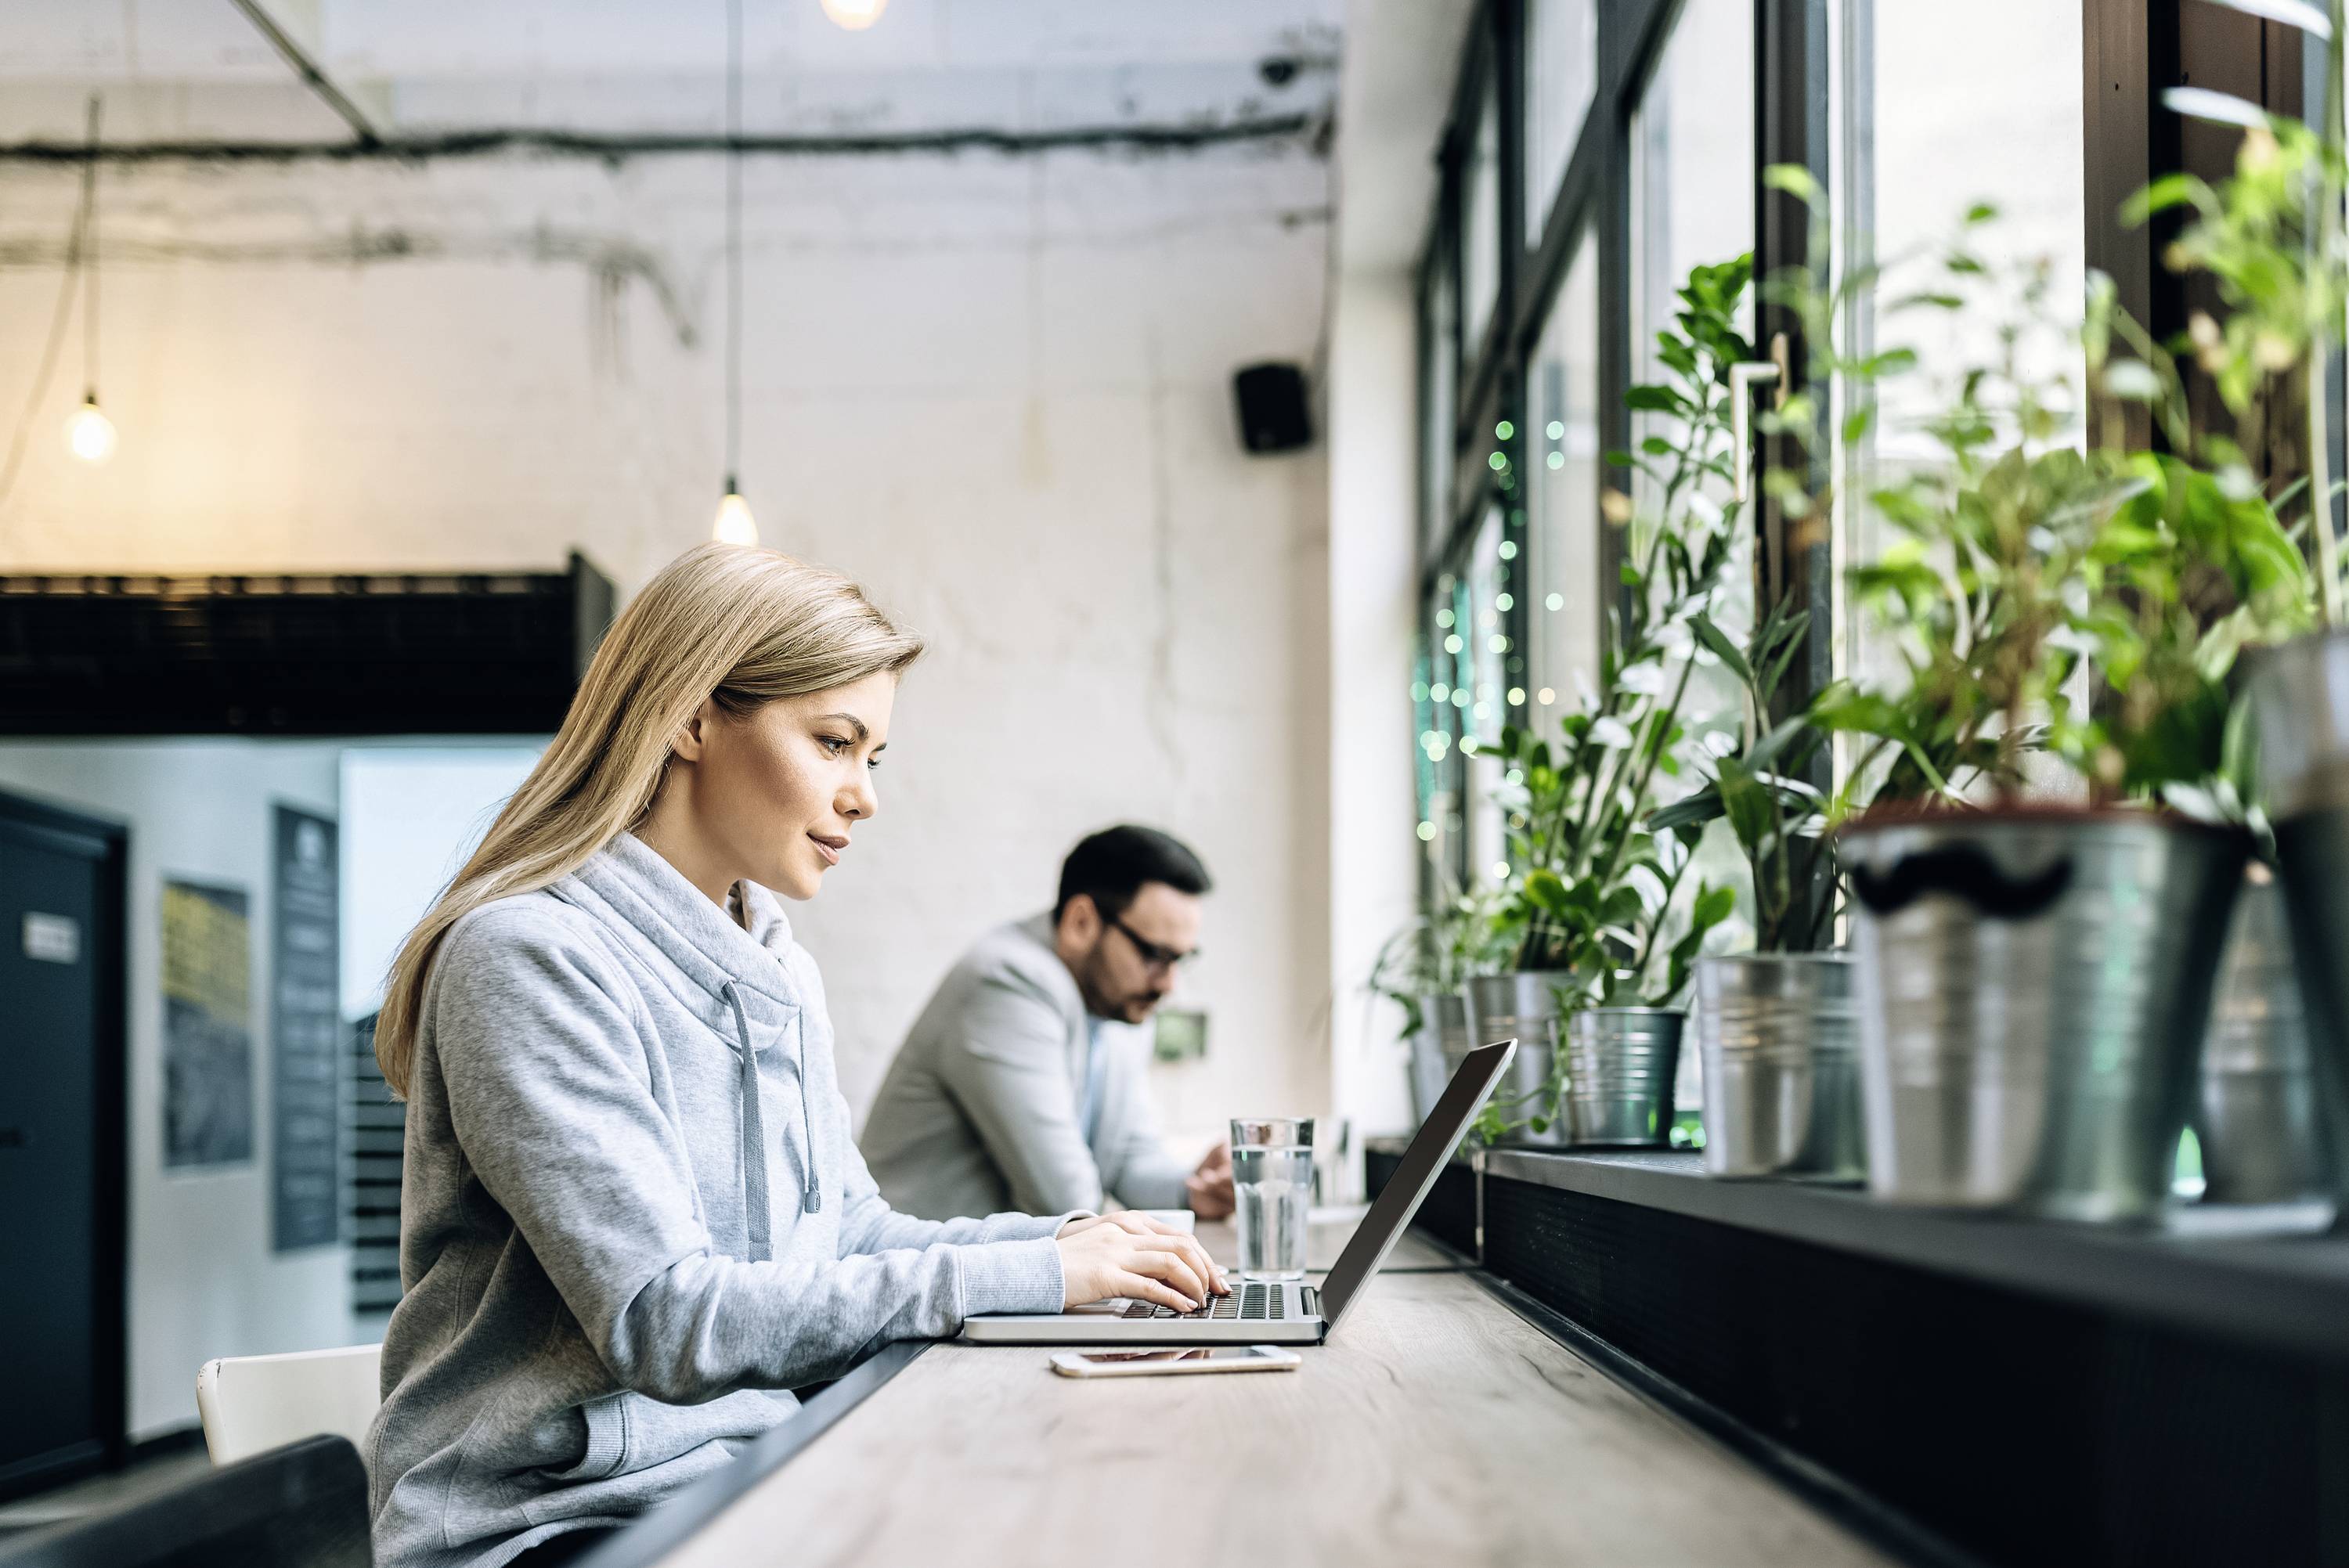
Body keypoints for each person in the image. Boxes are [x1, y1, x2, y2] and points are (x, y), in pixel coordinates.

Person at [363, 545, 1225, 1568]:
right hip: (555, 1522)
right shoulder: (529, 957)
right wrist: (1034, 1272)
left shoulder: (772, 962)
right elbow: (663, 1317)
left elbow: (850, 1230)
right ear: (689, 715)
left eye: (874, 756)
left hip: (747, 1466)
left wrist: (1081, 1240)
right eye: (834, 742)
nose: (863, 794)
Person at [859, 825, 1236, 1224]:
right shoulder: (1007, 983)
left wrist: (1193, 1189)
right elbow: (1063, 1201)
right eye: (1156, 955)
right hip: (916, 1274)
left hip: (997, 1272)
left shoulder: (1118, 1001)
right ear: (1081, 922)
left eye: (1180, 959)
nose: (1169, 984)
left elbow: (1128, 1158)